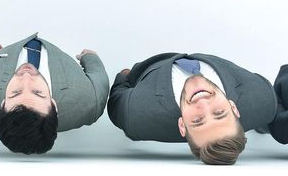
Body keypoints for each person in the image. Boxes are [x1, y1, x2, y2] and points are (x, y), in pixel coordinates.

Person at [108, 53, 276, 165]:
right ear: (234, 107)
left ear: (182, 125)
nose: (203, 104)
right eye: (219, 113)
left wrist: (125, 75)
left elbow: (118, 96)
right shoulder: (263, 98)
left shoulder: (135, 114)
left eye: (197, 120)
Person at [0, 33, 109, 154]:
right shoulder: (90, 102)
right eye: (38, 92)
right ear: (54, 105)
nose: (26, 77)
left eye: (15, 93)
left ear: (2, 104)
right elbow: (99, 77)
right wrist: (89, 57)